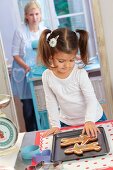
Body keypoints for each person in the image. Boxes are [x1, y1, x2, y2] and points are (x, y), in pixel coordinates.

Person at [38, 28, 107, 137]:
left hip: (93, 119)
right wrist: (55, 125)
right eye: (61, 61)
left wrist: (89, 120)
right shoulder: (47, 76)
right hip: (67, 123)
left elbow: (91, 99)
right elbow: (51, 102)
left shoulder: (80, 73)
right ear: (51, 57)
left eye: (71, 60)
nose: (67, 65)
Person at [11, 0, 47, 132]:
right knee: (29, 109)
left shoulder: (44, 30)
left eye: (37, 14)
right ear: (26, 15)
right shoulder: (20, 31)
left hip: (39, 74)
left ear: (40, 14)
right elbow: (15, 54)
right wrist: (27, 67)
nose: (35, 17)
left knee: (42, 108)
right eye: (31, 14)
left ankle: (43, 134)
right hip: (25, 73)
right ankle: (32, 138)